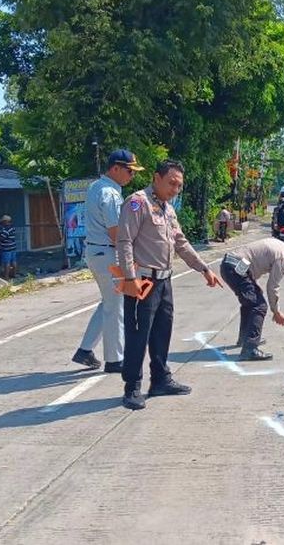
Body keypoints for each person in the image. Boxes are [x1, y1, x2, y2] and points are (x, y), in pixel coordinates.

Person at [116, 159, 223, 410]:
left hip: (164, 280)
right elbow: (124, 242)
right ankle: (132, 387)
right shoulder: (137, 202)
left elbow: (181, 243)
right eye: (172, 183)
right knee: (137, 335)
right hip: (141, 280)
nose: (176, 189)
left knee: (162, 331)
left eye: (179, 185)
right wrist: (130, 278)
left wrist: (204, 268)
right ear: (156, 178)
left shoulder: (167, 209)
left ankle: (160, 380)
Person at [71, 149, 143, 373]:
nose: (132, 176)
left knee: (108, 304)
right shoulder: (110, 194)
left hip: (97, 253)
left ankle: (85, 350)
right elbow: (116, 233)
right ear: (115, 169)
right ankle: (115, 360)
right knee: (116, 307)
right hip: (108, 253)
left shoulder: (97, 187)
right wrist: (130, 258)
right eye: (129, 171)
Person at [220, 237, 284, 361]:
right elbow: (272, 287)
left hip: (231, 264)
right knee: (259, 306)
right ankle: (250, 349)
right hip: (235, 266)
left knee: (251, 300)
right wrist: (276, 311)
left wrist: (253, 287)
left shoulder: (281, 246)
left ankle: (245, 339)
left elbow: (250, 262)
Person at [0, 215, 18, 279]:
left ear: (6, 222)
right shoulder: (12, 228)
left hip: (7, 249)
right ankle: (14, 274)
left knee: (7, 263)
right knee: (14, 261)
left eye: (3, 222)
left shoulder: (6, 230)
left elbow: (2, 238)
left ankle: (6, 276)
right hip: (13, 247)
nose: (2, 223)